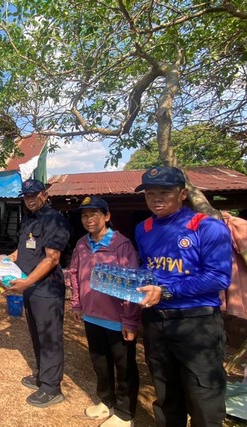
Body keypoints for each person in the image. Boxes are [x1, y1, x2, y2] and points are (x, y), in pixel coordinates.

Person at [135, 166, 232, 427]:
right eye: (150, 193)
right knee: (165, 391)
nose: (156, 198)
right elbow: (149, 267)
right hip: (156, 321)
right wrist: (134, 286)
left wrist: (167, 291)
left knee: (204, 398)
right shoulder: (143, 228)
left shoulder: (207, 227)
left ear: (183, 194)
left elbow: (219, 277)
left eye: (165, 192)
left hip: (196, 323)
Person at [69, 196, 141, 427]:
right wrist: (77, 303)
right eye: (84, 215)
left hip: (117, 319)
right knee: (100, 362)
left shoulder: (121, 245)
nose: (88, 219)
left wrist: (130, 320)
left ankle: (124, 413)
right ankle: (106, 402)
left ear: (107, 216)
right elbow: (74, 273)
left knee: (124, 367)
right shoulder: (82, 243)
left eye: (94, 214)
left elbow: (132, 283)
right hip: (91, 316)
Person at [6, 178, 71, 408]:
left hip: (47, 289)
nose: (30, 199)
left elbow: (52, 258)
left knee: (49, 337)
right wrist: (5, 259)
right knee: (37, 334)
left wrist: (26, 283)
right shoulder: (28, 218)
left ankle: (52, 388)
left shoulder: (54, 219)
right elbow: (22, 250)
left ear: (44, 194)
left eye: (34, 194)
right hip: (31, 288)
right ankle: (43, 376)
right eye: (26, 196)